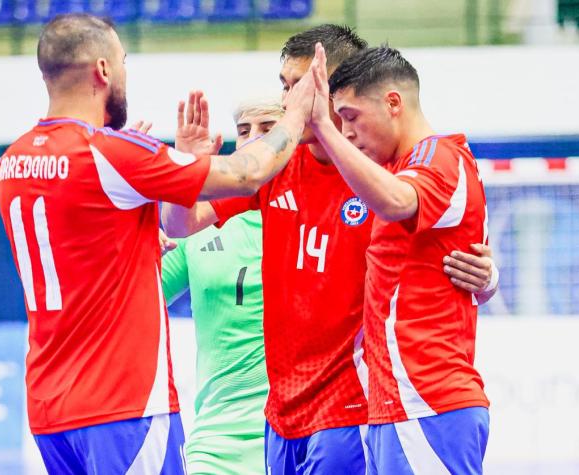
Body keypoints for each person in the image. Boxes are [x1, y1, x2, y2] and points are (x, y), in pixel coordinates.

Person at [163, 25, 497, 475]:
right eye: (284, 86)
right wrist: (188, 168)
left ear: (338, 89)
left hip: (352, 408)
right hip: (280, 411)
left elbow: (443, 241)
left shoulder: (384, 172)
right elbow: (179, 224)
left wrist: (489, 277)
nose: (287, 102)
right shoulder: (274, 161)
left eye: (299, 86)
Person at [0, 13, 317, 474]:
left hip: (49, 408)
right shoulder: (112, 153)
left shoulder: (12, 163)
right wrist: (299, 115)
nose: (126, 73)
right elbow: (247, 174)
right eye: (124, 61)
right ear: (103, 70)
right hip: (123, 404)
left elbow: (89, 247)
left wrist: (138, 243)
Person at [308, 44, 491, 474]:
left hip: (428, 401)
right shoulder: (404, 166)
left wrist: (323, 127)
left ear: (393, 103)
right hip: (398, 405)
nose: (346, 131)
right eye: (338, 121)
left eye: (350, 117)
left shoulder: (436, 156)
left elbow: (396, 201)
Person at [160, 97, 284, 474]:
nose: (253, 142)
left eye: (268, 129)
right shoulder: (199, 226)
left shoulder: (324, 214)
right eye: (244, 132)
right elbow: (134, 296)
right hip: (215, 442)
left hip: (301, 433)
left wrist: (474, 284)